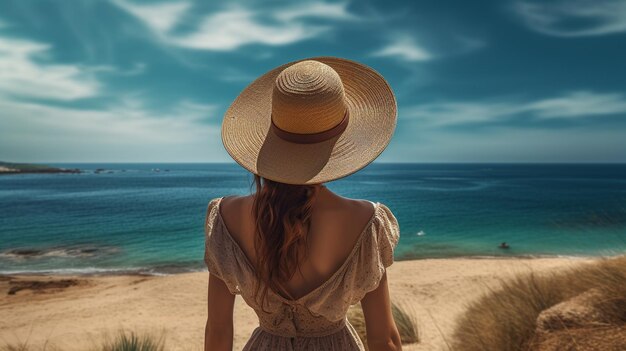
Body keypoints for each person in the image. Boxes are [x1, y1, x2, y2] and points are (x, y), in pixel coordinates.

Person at [204, 57, 402, 350]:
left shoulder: (225, 217)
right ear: (338, 144)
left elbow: (218, 332)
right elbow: (383, 339)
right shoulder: (366, 222)